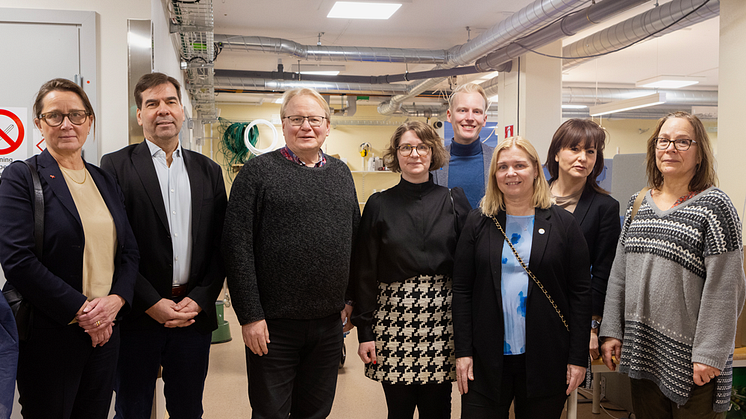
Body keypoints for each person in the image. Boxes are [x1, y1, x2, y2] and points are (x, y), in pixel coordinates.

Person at [0, 78, 139, 418]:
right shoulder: (21, 176)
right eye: (54, 116)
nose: (67, 124)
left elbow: (129, 252)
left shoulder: (103, 179)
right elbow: (18, 260)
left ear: (89, 121)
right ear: (39, 124)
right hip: (51, 333)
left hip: (107, 331)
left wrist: (115, 302)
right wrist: (83, 311)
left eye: (76, 115)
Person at [223, 87, 360, 419]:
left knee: (315, 412)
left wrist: (352, 298)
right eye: (296, 118)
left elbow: (355, 240)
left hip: (328, 324)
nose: (306, 126)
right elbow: (236, 246)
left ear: (328, 126)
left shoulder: (341, 175)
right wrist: (250, 316)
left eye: (314, 119)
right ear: (283, 125)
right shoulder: (257, 173)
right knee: (270, 412)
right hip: (273, 324)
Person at [600, 111, 746, 418]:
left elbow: (726, 288)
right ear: (654, 149)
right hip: (644, 350)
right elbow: (620, 272)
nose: (671, 148)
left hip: (693, 360)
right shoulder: (638, 202)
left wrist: (709, 353)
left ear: (699, 152)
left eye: (683, 141)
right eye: (664, 141)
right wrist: (612, 329)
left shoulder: (715, 207)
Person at [100, 72, 227, 419]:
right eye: (152, 104)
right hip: (137, 315)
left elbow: (221, 246)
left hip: (191, 316)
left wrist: (201, 300)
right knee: (132, 408)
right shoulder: (114, 166)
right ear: (139, 115)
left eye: (170, 102)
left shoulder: (209, 171)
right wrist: (150, 302)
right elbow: (113, 244)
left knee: (188, 410)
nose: (163, 110)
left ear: (182, 110)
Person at [452, 136, 591, 418]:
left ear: (536, 171)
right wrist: (463, 352)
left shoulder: (563, 224)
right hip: (486, 357)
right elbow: (462, 290)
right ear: (494, 175)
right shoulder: (478, 222)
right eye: (503, 167)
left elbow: (580, 293)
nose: (511, 173)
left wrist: (577, 357)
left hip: (546, 356)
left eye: (519, 165)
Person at [352, 121, 471, 419]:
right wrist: (365, 331)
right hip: (393, 323)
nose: (414, 154)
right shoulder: (379, 204)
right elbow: (364, 270)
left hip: (442, 323)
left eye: (422, 147)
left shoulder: (454, 201)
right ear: (396, 154)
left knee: (438, 410)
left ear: (433, 153)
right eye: (406, 147)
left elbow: (471, 271)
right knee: (399, 410)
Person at [545, 119, 620, 363]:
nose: (583, 158)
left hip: (573, 314)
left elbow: (603, 272)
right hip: (527, 309)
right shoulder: (531, 199)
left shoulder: (605, 208)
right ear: (556, 154)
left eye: (590, 151)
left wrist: (592, 325)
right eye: (574, 149)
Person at [431, 83, 494, 208]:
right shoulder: (434, 162)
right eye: (463, 110)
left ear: (484, 119)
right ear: (449, 115)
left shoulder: (498, 160)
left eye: (476, 111)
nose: (470, 117)